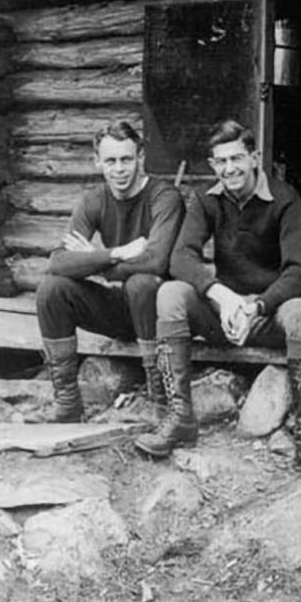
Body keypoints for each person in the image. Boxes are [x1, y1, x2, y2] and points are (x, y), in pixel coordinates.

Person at [134, 119, 301, 478]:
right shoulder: (207, 200)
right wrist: (221, 296)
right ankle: (180, 418)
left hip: (266, 314)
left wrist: (258, 306)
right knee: (170, 293)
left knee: (300, 312)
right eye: (221, 162)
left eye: (237, 159)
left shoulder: (284, 199)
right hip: (224, 315)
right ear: (213, 165)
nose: (230, 169)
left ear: (255, 157)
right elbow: (181, 257)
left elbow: (300, 272)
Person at [35, 119, 184, 422]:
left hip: (160, 314)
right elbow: (59, 261)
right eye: (111, 161)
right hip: (122, 308)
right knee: (52, 289)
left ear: (141, 157)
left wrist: (97, 263)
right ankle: (67, 402)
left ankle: (158, 401)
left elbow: (156, 261)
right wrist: (113, 253)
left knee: (142, 283)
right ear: (97, 162)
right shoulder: (94, 200)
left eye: (127, 159)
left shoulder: (164, 197)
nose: (119, 169)